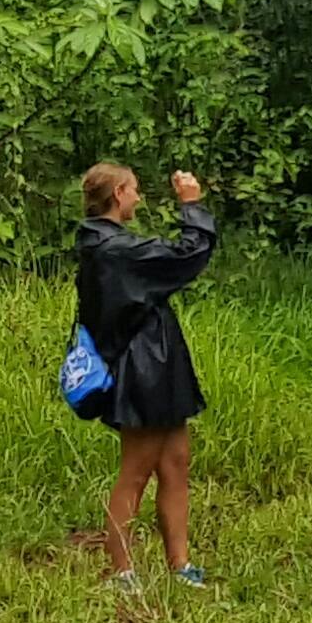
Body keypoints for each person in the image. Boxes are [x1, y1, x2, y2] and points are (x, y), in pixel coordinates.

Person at [74, 163, 221, 596]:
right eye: (134, 190)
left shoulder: (102, 243)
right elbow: (186, 256)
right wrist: (192, 206)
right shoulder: (116, 249)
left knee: (175, 465)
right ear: (118, 194)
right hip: (144, 370)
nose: (139, 197)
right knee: (135, 473)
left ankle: (180, 564)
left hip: (159, 365)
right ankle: (121, 572)